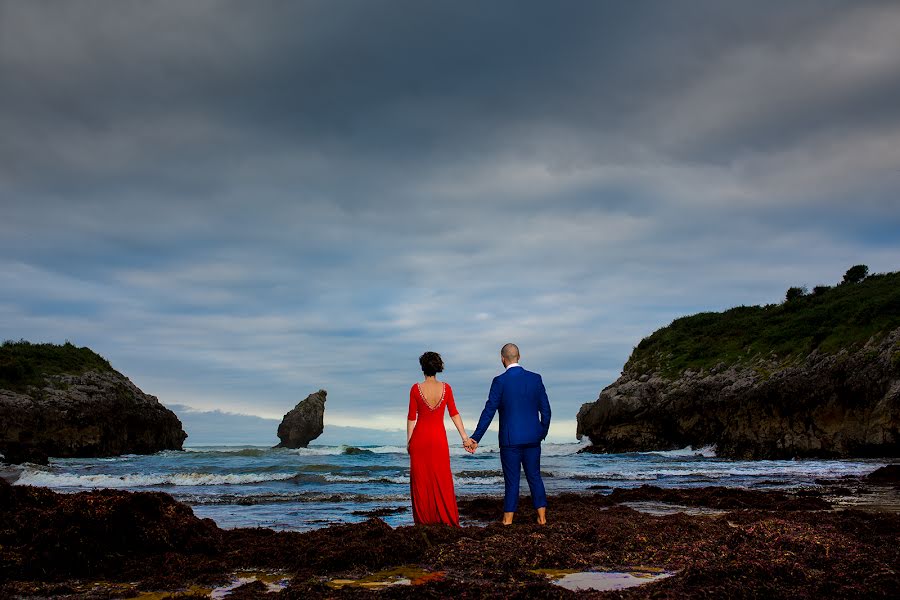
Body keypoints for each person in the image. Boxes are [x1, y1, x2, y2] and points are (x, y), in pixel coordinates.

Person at [466, 343, 551, 525]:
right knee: (534, 477)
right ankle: (542, 519)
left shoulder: (500, 381)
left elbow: (489, 411)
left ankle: (508, 521)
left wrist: (476, 437)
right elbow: (546, 410)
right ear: (519, 357)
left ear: (502, 359)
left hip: (510, 441)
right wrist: (540, 432)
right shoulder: (535, 379)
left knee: (512, 482)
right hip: (532, 439)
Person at [407, 351, 472, 526]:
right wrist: (465, 437)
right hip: (438, 439)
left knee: (421, 480)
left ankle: (424, 521)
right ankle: (446, 519)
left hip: (419, 438)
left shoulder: (415, 389)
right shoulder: (446, 388)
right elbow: (454, 413)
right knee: (441, 478)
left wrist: (409, 442)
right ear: (438, 368)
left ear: (422, 368)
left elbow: (412, 417)